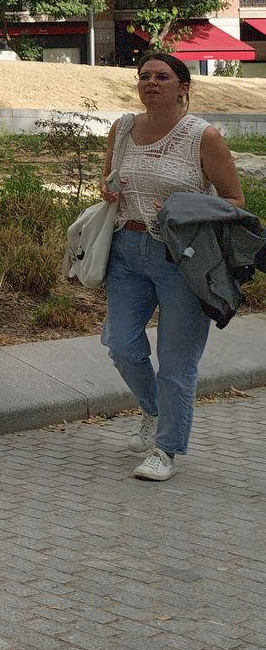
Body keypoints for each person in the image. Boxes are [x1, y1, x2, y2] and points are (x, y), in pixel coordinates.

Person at [97, 51, 244, 481]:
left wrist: (183, 206)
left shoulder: (203, 136)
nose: (151, 83)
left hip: (182, 258)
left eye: (162, 76)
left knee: (177, 361)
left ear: (184, 86)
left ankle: (166, 448)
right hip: (126, 249)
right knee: (121, 345)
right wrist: (109, 191)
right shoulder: (122, 128)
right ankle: (154, 411)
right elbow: (107, 184)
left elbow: (235, 201)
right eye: (144, 76)